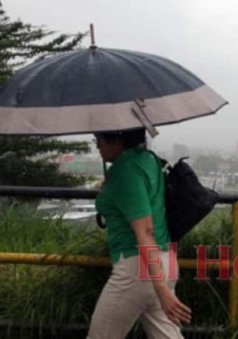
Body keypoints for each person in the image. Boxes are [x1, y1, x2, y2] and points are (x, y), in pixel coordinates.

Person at [88, 128, 191, 339]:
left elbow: (145, 230)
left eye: (98, 139)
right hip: (165, 261)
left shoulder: (126, 171)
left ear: (117, 138)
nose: (97, 146)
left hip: (138, 268)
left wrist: (161, 289)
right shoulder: (148, 159)